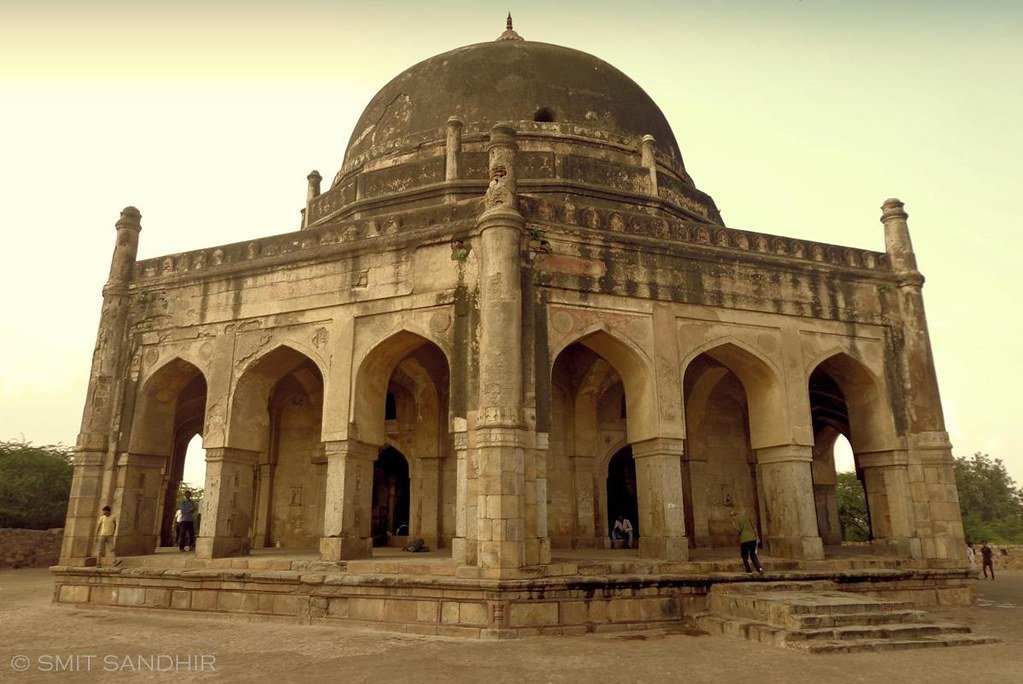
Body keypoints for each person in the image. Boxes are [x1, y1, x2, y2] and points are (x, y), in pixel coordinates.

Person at [730, 508, 764, 575]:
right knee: (753, 555)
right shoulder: (747, 516)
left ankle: (749, 571)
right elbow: (754, 526)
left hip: (745, 540)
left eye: (732, 516)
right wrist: (757, 537)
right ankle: (760, 569)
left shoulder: (736, 519)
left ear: (734, 515)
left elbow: (738, 530)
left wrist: (733, 523)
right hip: (753, 538)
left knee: (744, 556)